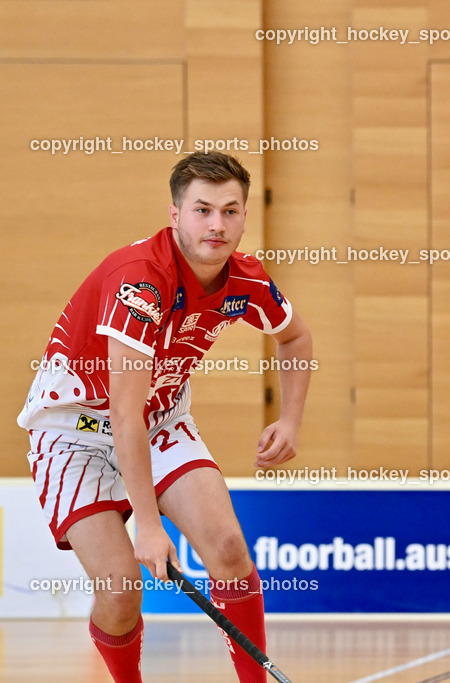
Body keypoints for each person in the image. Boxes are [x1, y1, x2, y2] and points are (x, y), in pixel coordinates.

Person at [18, 151, 313, 683]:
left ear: (246, 216)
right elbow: (122, 413)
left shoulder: (245, 279)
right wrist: (148, 526)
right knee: (121, 590)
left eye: (230, 210)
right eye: (202, 210)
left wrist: (290, 420)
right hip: (74, 430)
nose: (217, 225)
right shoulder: (141, 282)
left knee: (227, 547)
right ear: (175, 215)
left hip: (160, 419)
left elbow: (294, 336)